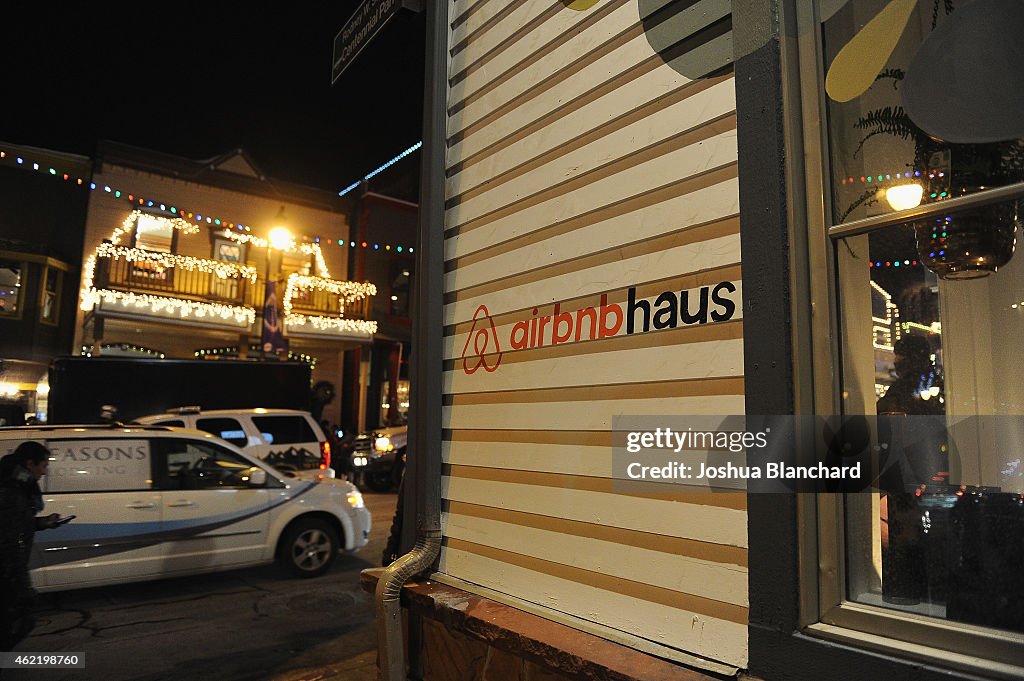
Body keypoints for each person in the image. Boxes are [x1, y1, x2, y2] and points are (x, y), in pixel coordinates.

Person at [0, 442, 59, 651]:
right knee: (18, 621)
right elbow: (9, 542)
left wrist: (44, 523)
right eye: (43, 466)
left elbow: (16, 524)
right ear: (29, 463)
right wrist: (23, 586)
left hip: (8, 573)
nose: (44, 472)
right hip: (6, 574)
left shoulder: (16, 486)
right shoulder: (12, 490)